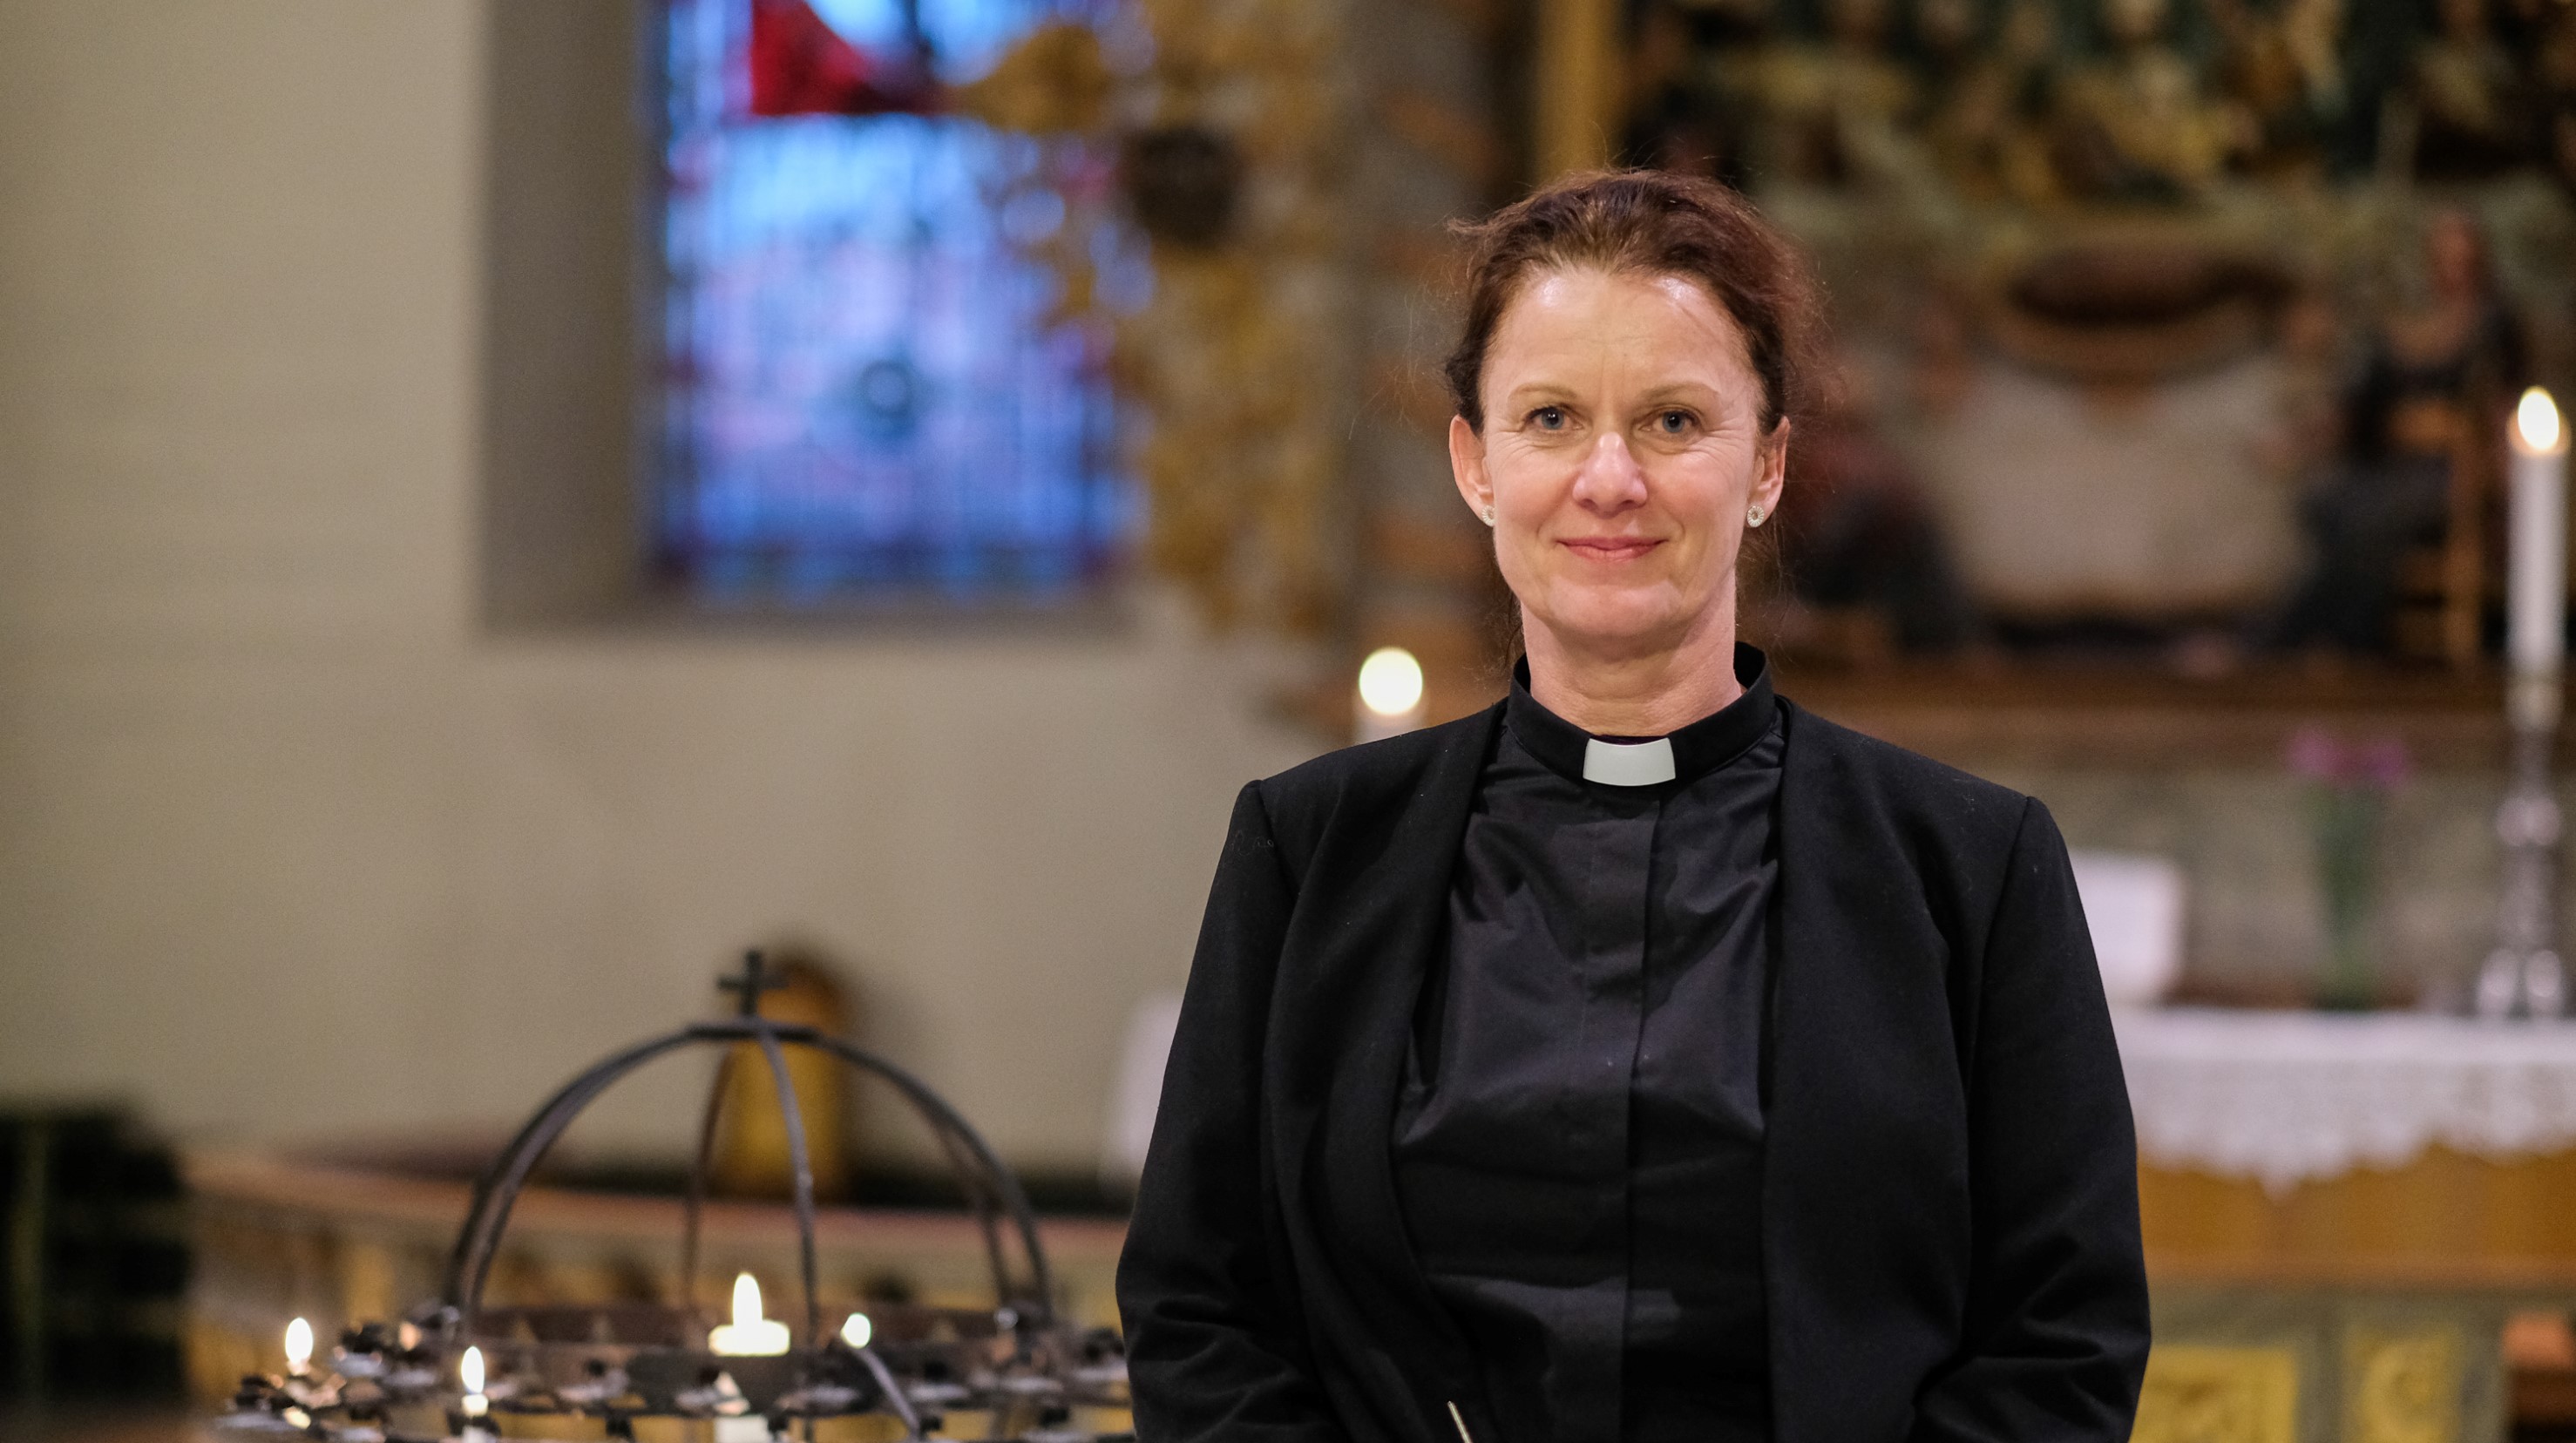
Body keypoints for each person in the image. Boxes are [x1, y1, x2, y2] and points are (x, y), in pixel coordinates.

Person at [1117, 171, 2148, 1443]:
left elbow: (2066, 1343)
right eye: (1550, 418)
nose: (1609, 479)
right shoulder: (1308, 849)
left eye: (1672, 421)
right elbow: (1198, 1310)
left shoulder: (1972, 870)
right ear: (1475, 463)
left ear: (1767, 464)